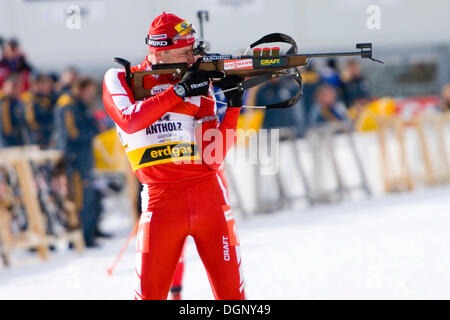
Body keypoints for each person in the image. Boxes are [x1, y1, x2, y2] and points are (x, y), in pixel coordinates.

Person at [103, 12, 246, 300]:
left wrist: (231, 108)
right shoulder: (120, 78)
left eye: (193, 50)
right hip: (160, 201)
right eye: (185, 51)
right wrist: (178, 92)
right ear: (161, 51)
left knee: (233, 299)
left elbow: (212, 158)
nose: (192, 58)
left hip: (210, 200)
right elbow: (130, 120)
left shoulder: (196, 83)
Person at [54, 77, 100, 247]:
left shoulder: (79, 105)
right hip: (75, 158)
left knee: (88, 198)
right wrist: (94, 130)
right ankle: (79, 239)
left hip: (84, 157)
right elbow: (72, 133)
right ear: (79, 89)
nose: (90, 96)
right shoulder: (68, 105)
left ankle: (86, 237)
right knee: (79, 199)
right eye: (88, 92)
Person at [0, 73, 27, 147]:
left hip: (19, 144)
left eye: (18, 86)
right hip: (7, 146)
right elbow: (5, 130)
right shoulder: (4, 102)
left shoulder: (19, 102)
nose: (16, 89)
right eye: (13, 86)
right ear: (5, 85)